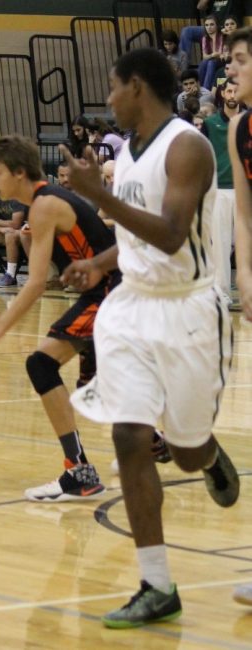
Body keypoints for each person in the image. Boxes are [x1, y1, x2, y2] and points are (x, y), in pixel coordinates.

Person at [60, 47, 238, 628]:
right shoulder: (129, 156)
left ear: (137, 87)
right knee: (131, 436)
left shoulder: (187, 146)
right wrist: (102, 261)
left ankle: (207, 454)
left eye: (113, 88)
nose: (108, 100)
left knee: (183, 451)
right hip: (130, 308)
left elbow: (168, 235)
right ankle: (156, 585)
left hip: (188, 312)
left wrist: (99, 198)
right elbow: (139, 242)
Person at [0, 134, 121, 504]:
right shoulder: (46, 203)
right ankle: (156, 443)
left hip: (112, 294)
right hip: (107, 293)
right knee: (93, 385)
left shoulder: (44, 205)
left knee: (41, 364)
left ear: (19, 172)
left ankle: (79, 471)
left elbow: (35, 284)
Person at [227, 25, 252, 607]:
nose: (231, 71)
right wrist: (245, 276)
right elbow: (245, 215)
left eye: (243, 60)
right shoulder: (239, 127)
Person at [201, 77, 243, 303]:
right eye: (229, 90)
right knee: (221, 243)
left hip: (245, 190)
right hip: (219, 190)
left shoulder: (249, 121)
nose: (232, 95)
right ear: (222, 94)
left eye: (236, 90)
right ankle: (221, 292)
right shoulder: (210, 124)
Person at [199, 14, 224, 91]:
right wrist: (212, 55)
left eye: (212, 24)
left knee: (210, 62)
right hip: (212, 61)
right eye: (206, 25)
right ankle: (199, 87)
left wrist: (211, 55)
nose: (209, 27)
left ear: (217, 25)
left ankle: (205, 90)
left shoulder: (222, 36)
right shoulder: (205, 38)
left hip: (222, 61)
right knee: (204, 62)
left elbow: (220, 54)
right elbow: (204, 56)